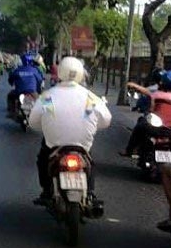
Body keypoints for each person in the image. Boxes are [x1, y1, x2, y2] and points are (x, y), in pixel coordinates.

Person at [28, 56, 112, 208]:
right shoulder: (90, 98)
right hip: (82, 146)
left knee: (43, 159)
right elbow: (106, 120)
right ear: (81, 74)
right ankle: (91, 193)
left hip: (54, 146)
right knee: (90, 161)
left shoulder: (48, 97)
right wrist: (92, 125)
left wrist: (48, 127)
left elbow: (33, 122)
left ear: (60, 73)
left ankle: (47, 191)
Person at [120, 70, 171, 158]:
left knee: (139, 125)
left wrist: (132, 85)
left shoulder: (156, 94)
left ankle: (129, 150)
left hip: (157, 127)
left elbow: (151, 108)